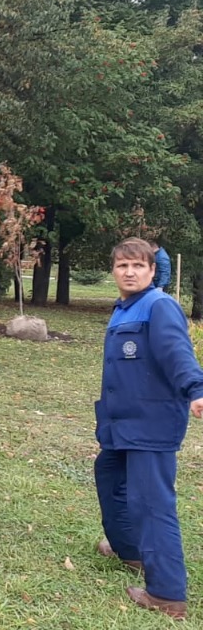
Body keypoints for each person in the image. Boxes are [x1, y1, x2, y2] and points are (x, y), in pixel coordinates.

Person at [93, 237, 203, 621]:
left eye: (138, 266)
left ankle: (167, 593)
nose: (129, 272)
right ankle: (131, 550)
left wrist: (197, 389)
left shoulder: (158, 306)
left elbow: (177, 353)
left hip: (150, 424)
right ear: (114, 271)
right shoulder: (126, 307)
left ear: (153, 271)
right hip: (122, 423)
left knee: (152, 505)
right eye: (122, 265)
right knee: (108, 475)